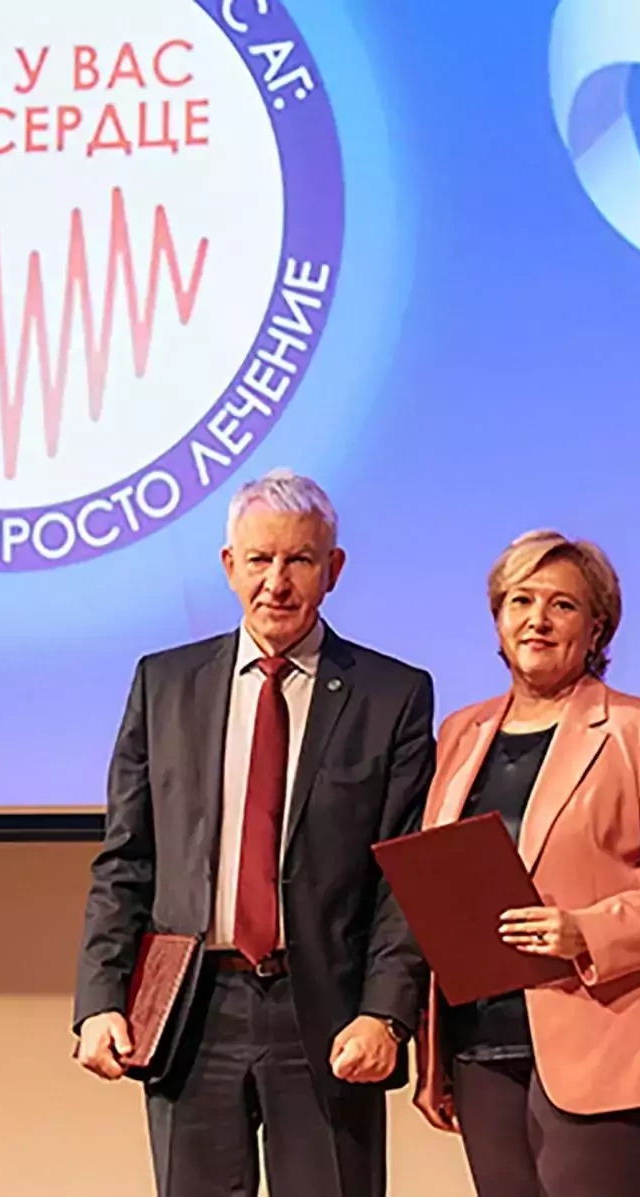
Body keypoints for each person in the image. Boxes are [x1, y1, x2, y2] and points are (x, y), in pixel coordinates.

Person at [74, 469, 436, 1197]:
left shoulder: (391, 695)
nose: (277, 581)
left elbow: (403, 880)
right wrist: (100, 998)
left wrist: (386, 1014)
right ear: (229, 564)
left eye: (299, 559)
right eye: (260, 559)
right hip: (190, 1013)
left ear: (333, 568)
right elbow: (127, 859)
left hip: (327, 1018)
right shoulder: (164, 684)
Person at [412, 530, 640, 1197]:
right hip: (482, 1047)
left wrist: (586, 930)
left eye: (561, 605)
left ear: (596, 629)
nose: (537, 619)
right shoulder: (460, 733)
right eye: (520, 600)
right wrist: (430, 1051)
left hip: (609, 1042)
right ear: (498, 620)